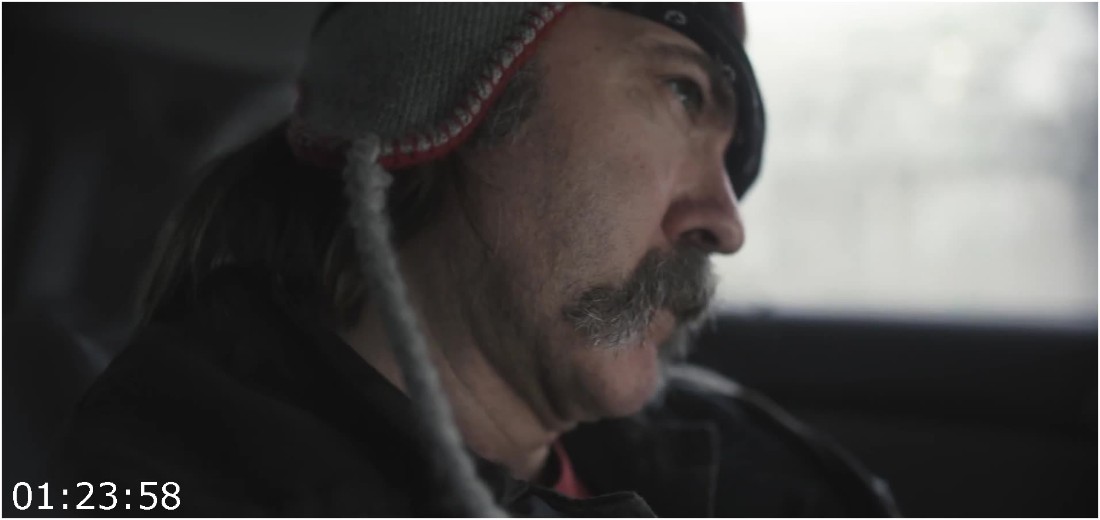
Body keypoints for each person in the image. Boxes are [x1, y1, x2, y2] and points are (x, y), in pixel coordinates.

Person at [53, 3, 898, 516]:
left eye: (731, 166)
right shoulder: (165, 484)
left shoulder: (738, 455)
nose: (725, 224)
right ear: (438, 91)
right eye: (682, 91)